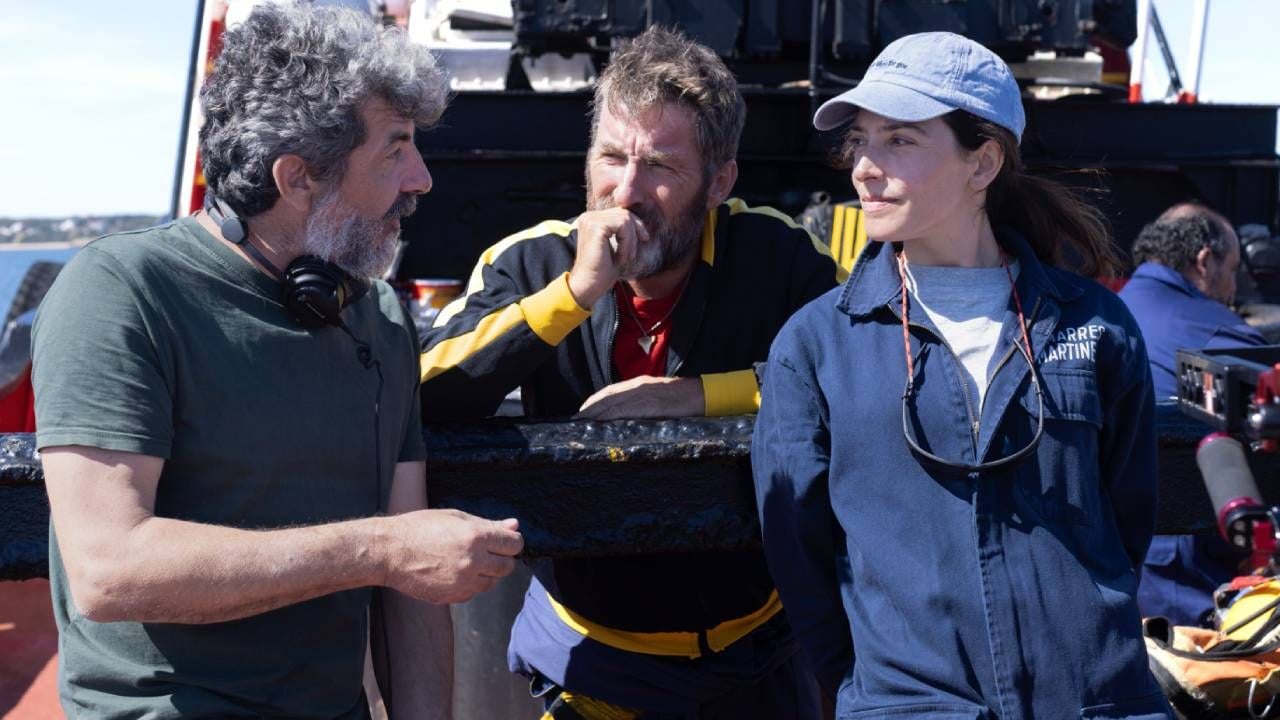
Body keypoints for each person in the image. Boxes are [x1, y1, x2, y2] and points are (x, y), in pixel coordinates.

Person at [31, 6, 523, 719]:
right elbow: (109, 570)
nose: (421, 179)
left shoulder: (377, 318)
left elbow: (409, 594)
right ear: (297, 179)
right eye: (395, 150)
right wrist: (379, 549)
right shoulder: (119, 293)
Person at [419, 26, 843, 719]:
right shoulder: (531, 263)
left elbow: (853, 376)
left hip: (757, 660)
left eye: (660, 168)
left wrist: (698, 398)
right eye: (611, 158)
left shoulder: (775, 253)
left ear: (720, 181)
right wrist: (573, 295)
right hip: (588, 667)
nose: (626, 192)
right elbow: (425, 390)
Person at [752, 31, 1172, 719]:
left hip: (1098, 702)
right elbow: (800, 556)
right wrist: (881, 694)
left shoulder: (1095, 326)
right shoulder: (817, 345)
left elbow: (1126, 521)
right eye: (861, 140)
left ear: (983, 164)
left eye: (900, 141)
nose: (863, 167)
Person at [1120, 207, 1263, 627]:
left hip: (1125, 558)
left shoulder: (1109, 310)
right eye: (1232, 270)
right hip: (1191, 573)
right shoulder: (1214, 330)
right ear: (1204, 261)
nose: (1234, 287)